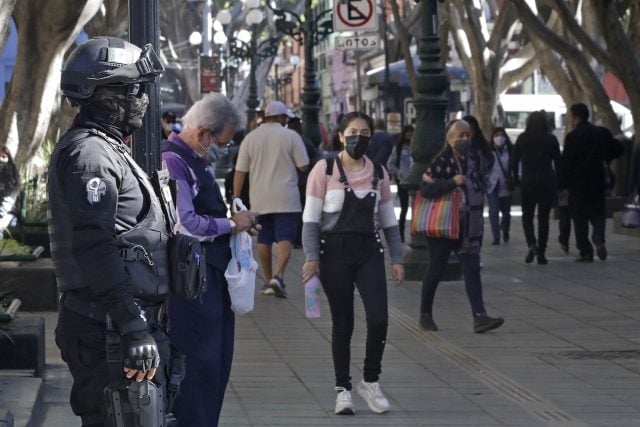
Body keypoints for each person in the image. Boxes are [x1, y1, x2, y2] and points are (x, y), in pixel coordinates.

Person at [48, 36, 170, 426]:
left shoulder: (109, 149)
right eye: (133, 89)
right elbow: (94, 245)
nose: (141, 99)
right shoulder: (91, 156)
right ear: (103, 95)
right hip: (107, 330)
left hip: (118, 325)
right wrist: (132, 324)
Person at [161, 93, 259, 427]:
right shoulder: (174, 161)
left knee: (215, 364)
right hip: (192, 284)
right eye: (222, 142)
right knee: (199, 366)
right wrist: (232, 225)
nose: (223, 150)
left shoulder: (196, 160)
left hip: (209, 280)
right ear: (203, 133)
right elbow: (185, 223)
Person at [301, 111, 405, 415]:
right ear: (340, 136)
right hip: (334, 253)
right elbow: (310, 221)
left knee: (379, 319)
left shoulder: (379, 173)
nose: (359, 137)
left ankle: (371, 382)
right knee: (343, 323)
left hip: (369, 252)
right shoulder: (324, 170)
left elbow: (389, 222)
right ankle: (343, 389)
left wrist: (397, 258)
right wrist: (311, 259)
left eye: (365, 132)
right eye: (353, 132)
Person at [419, 119, 504, 334]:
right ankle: (425, 314)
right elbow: (425, 190)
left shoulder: (472, 158)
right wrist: (451, 182)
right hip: (444, 226)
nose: (465, 139)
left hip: (468, 227)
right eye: (461, 136)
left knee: (472, 270)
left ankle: (480, 316)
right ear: (450, 139)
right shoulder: (441, 161)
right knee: (436, 269)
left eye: (468, 135)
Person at [233, 101, 309, 298]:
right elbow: (303, 166)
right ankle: (278, 276)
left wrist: (235, 196)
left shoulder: (250, 138)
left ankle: (268, 281)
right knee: (285, 238)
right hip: (287, 197)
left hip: (259, 198)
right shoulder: (291, 136)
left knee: (264, 239)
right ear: (282, 118)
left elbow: (240, 171)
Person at [560, 103, 624, 262]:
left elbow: (566, 163)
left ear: (576, 117)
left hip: (578, 183)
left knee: (579, 218)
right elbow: (619, 147)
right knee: (598, 213)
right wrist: (606, 159)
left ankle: (585, 251)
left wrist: (563, 185)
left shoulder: (572, 137)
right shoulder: (600, 132)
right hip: (597, 180)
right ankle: (598, 237)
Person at [511, 111, 561, 264]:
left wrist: (515, 178)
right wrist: (560, 183)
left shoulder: (523, 138)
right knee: (543, 217)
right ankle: (542, 252)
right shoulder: (551, 139)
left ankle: (532, 244)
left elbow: (514, 161)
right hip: (546, 180)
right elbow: (558, 162)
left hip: (528, 180)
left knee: (527, 216)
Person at [288, 116, 320, 248]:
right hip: (303, 181)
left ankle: (294, 238)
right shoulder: (306, 141)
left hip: (291, 182)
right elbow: (315, 158)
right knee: (302, 211)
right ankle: (299, 239)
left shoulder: (288, 140)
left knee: (293, 211)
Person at [386, 125, 414, 242]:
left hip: (416, 181)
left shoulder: (418, 147)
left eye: (411, 134)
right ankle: (401, 233)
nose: (409, 136)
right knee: (404, 208)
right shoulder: (398, 148)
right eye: (407, 134)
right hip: (403, 182)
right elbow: (390, 164)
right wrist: (399, 173)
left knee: (416, 208)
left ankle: (414, 232)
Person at [486, 127, 513, 245]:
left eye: (502, 135)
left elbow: (515, 167)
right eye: (497, 135)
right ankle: (496, 236)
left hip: (506, 184)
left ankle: (505, 230)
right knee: (493, 212)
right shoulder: (488, 152)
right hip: (492, 185)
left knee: (506, 213)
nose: (499, 138)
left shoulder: (511, 151)